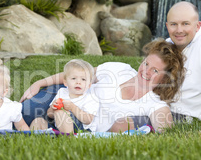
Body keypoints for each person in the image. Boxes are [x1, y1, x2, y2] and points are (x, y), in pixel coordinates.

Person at [20, 39, 185, 133]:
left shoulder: (155, 104)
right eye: (146, 63)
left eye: (155, 70)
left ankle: (42, 128)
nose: (146, 71)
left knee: (30, 124)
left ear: (164, 79)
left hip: (80, 122)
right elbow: (78, 74)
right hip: (64, 94)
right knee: (22, 112)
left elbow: (166, 131)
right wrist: (39, 82)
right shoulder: (120, 69)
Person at [30, 59, 99, 133]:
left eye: (83, 79)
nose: (78, 82)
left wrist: (72, 107)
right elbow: (49, 114)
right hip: (58, 125)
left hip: (80, 128)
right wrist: (53, 108)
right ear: (65, 82)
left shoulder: (91, 98)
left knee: (61, 112)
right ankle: (35, 139)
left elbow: (88, 120)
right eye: (73, 78)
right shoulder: (62, 92)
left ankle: (69, 139)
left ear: (89, 85)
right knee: (38, 121)